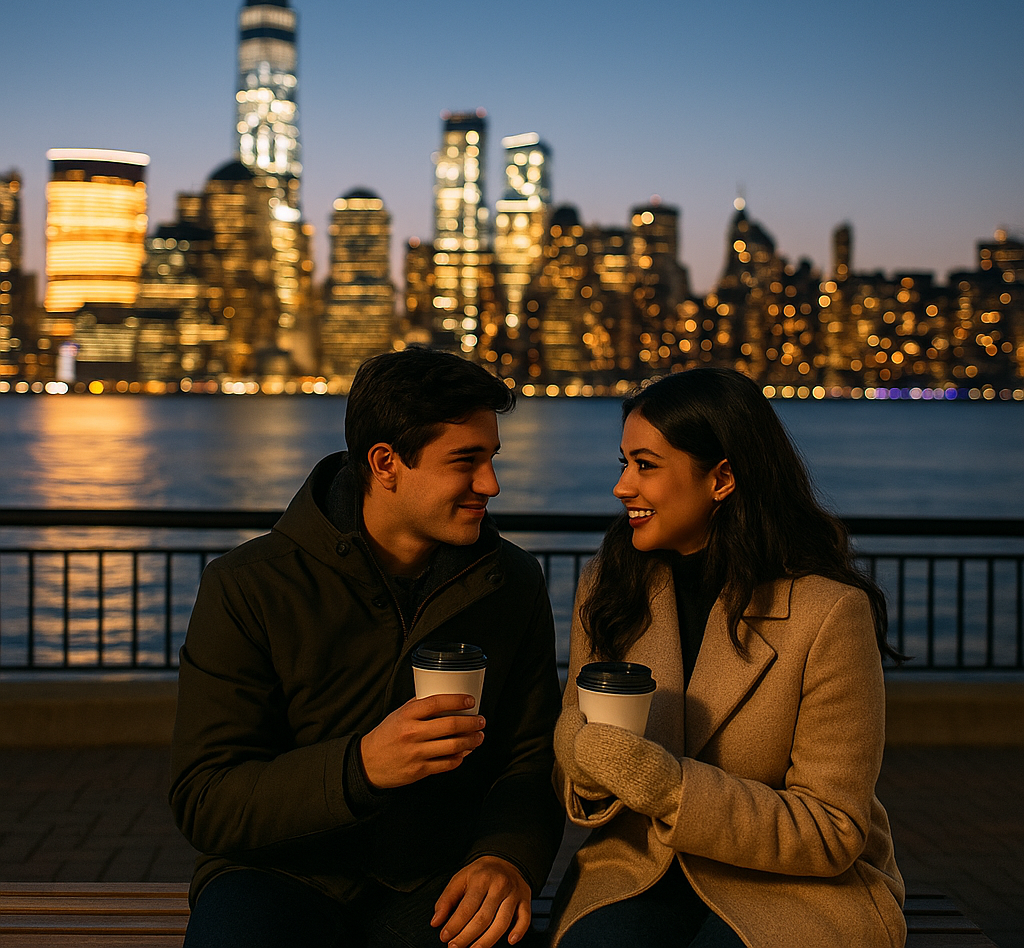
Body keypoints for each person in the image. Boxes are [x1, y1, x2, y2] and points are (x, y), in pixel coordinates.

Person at [170, 348, 563, 948]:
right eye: (466, 461)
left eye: (492, 458)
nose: (491, 484)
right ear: (385, 463)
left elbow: (529, 760)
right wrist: (361, 768)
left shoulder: (510, 582)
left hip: (439, 879)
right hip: (273, 873)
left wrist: (506, 858)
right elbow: (206, 799)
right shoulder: (249, 585)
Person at [549, 368, 907, 948]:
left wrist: (666, 787)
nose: (622, 488)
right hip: (640, 868)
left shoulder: (828, 613)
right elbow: (576, 758)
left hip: (789, 885)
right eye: (624, 464)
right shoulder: (609, 587)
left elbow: (833, 830)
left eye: (646, 465)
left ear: (722, 478)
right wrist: (586, 767)